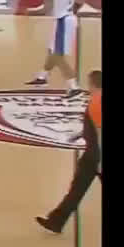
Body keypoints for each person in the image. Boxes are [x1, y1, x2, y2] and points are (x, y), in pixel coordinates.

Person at [36, 71, 102, 234]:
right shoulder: (96, 100)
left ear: (93, 84)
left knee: (76, 191)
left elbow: (100, 134)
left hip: (96, 156)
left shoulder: (97, 102)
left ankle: (56, 222)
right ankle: (55, 222)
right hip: (92, 155)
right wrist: (80, 134)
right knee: (76, 190)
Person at [23, 0, 86, 96]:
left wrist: (30, 12)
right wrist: (72, 11)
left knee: (58, 56)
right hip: (68, 19)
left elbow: (46, 10)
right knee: (52, 51)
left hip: (62, 22)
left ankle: (74, 87)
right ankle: (42, 77)